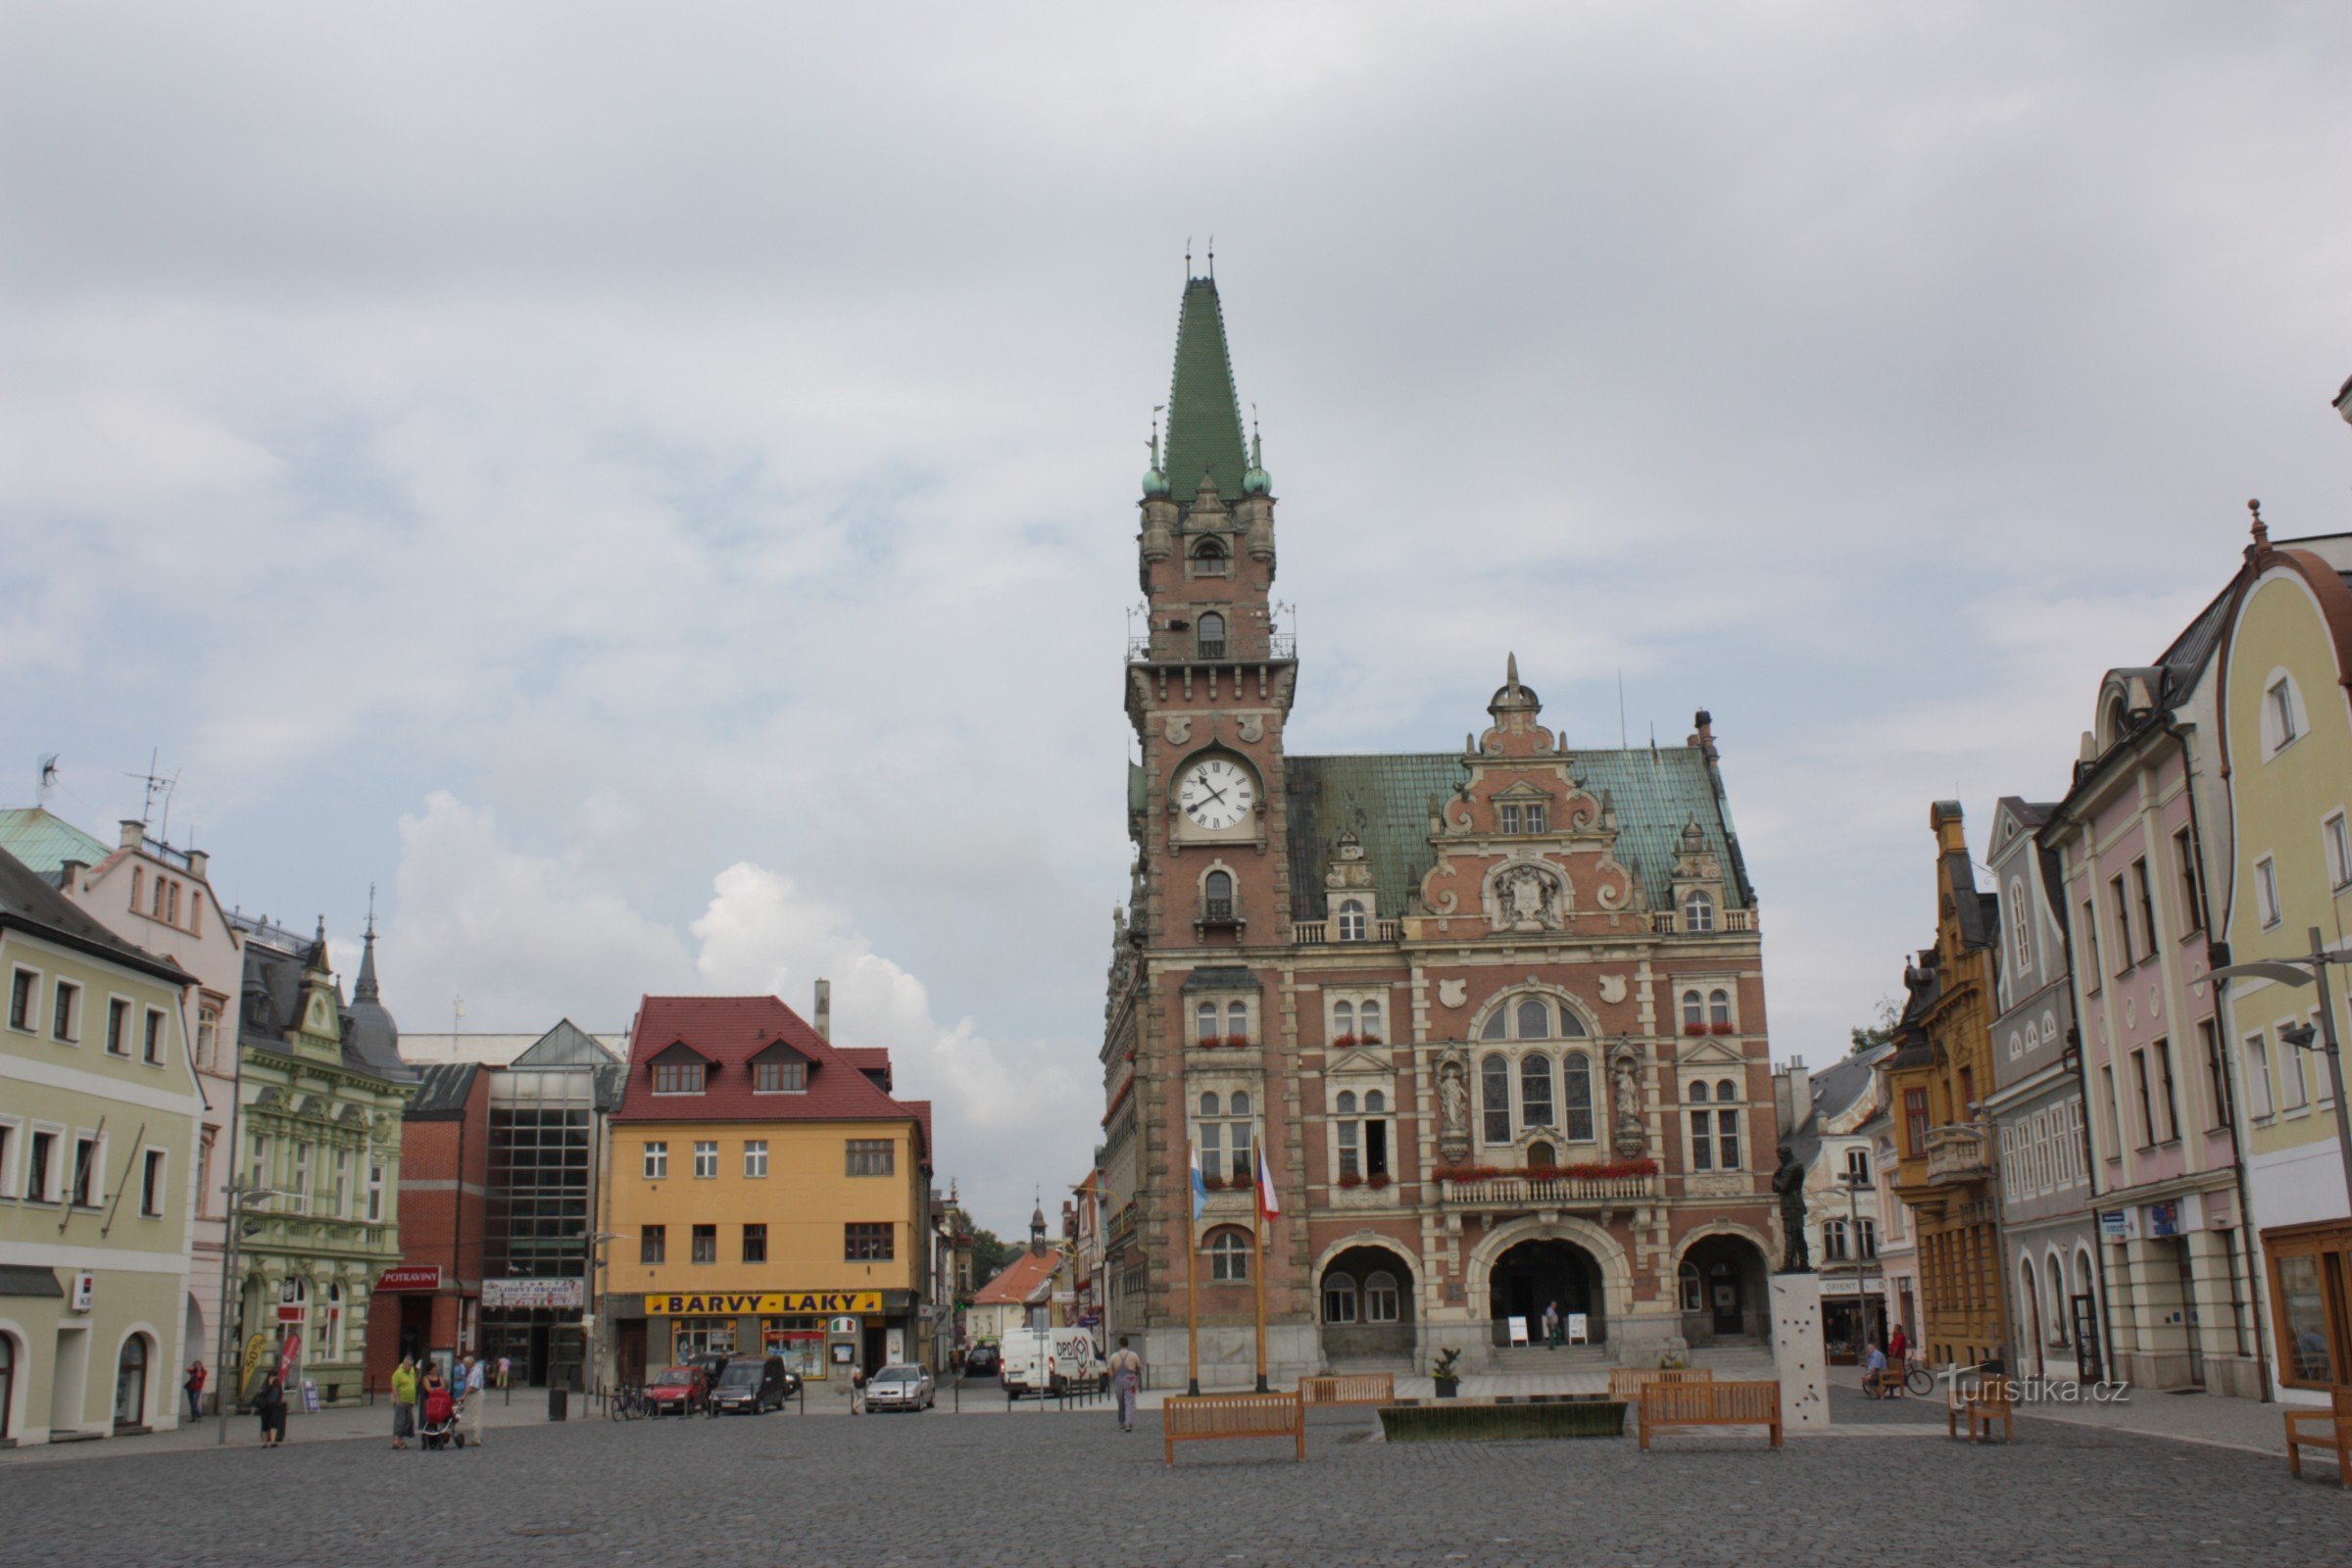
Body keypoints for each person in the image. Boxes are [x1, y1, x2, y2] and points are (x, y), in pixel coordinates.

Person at [1107, 1337, 1144, 1433]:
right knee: (1130, 1401)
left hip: (1119, 1379)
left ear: (1119, 1344)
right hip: (1130, 1379)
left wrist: (1112, 1377)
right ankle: (1129, 1423)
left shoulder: (1114, 1356)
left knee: (1121, 1401)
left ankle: (1122, 1423)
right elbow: (1139, 1368)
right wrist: (1136, 1375)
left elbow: (1110, 1370)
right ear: (1128, 1344)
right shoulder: (1133, 1355)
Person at [390, 1354, 418, 1449]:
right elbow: (394, 1387)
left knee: (408, 1422)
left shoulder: (411, 1371)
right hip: (401, 1401)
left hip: (410, 1401)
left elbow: (414, 1383)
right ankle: (396, 1441)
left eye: (411, 1365)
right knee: (400, 1421)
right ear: (404, 1363)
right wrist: (397, 1400)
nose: (409, 1367)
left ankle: (401, 1440)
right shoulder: (398, 1373)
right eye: (408, 1365)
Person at [461, 1352, 487, 1448]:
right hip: (472, 1394)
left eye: (465, 1364)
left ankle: (476, 1438)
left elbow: (472, 1386)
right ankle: (477, 1436)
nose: (464, 1366)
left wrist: (463, 1396)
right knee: (472, 1415)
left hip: (475, 1394)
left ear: (470, 1363)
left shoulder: (475, 1370)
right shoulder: (473, 1370)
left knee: (476, 1416)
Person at [255, 1371, 287, 1447]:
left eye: (276, 1376)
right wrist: (269, 1385)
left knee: (274, 1424)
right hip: (265, 1407)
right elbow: (262, 1393)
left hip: (275, 1406)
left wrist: (279, 1402)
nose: (275, 1378)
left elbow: (280, 1394)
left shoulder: (278, 1385)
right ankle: (265, 1442)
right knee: (265, 1424)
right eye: (273, 1376)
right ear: (270, 1376)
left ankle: (273, 1441)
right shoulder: (265, 1384)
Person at [183, 1360, 207, 1424]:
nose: (196, 1366)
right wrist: (191, 1366)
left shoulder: (203, 1372)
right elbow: (186, 1369)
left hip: (197, 1389)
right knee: (191, 1404)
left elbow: (199, 1376)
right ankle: (193, 1417)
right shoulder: (193, 1371)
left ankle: (199, 1416)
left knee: (194, 1403)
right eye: (195, 1365)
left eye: (197, 1365)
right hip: (190, 1388)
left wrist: (199, 1369)